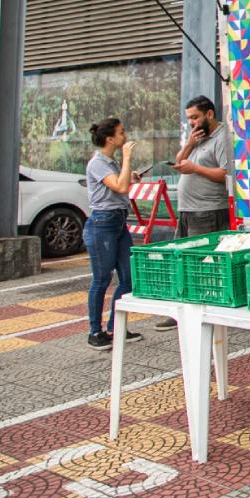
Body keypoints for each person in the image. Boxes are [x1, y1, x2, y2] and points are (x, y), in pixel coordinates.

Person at [155, 95, 230, 331]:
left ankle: (201, 310)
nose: (192, 122)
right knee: (183, 259)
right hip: (187, 209)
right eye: (188, 118)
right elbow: (180, 161)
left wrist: (195, 168)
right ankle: (183, 309)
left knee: (202, 262)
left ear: (209, 114)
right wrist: (188, 145)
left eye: (195, 117)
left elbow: (226, 175)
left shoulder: (222, 138)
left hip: (208, 210)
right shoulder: (197, 137)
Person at [84, 118, 143, 351]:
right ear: (110, 139)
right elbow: (119, 187)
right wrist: (127, 159)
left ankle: (115, 327)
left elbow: (122, 183)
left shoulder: (111, 162)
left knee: (128, 277)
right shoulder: (97, 163)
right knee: (102, 279)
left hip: (118, 221)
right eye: (121, 133)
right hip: (102, 223)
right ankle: (95, 331)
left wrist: (131, 173)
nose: (125, 136)